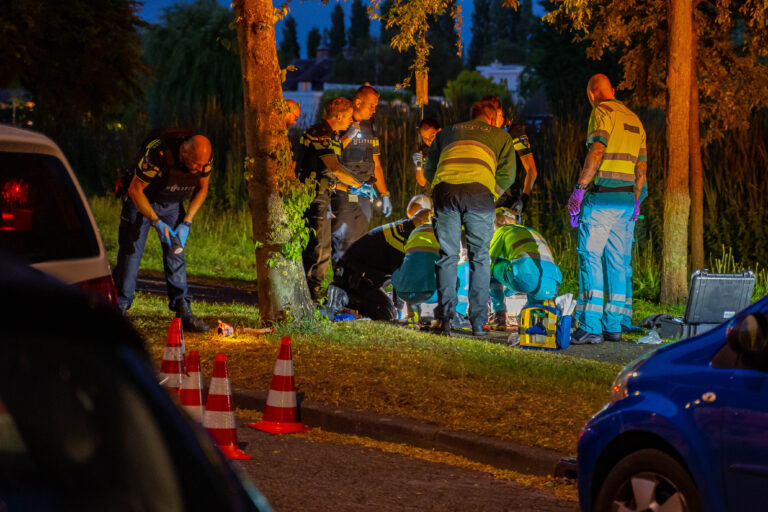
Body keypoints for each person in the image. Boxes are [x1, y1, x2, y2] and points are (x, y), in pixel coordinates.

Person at [424, 101, 516, 336]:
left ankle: (445, 319)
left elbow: (429, 168)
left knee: (448, 256)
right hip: (479, 196)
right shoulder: (501, 136)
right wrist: (489, 192)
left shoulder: (446, 132)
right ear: (493, 119)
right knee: (480, 258)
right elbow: (508, 174)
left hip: (446, 192)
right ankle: (478, 324)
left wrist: (439, 188)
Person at [568, 74, 648, 344]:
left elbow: (597, 150)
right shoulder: (634, 119)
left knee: (590, 259)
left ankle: (590, 325)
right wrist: (636, 201)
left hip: (602, 199)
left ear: (592, 94)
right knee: (617, 263)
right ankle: (613, 326)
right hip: (626, 202)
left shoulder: (602, 112)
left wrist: (579, 189)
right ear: (612, 90)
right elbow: (641, 167)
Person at [113, 130, 213, 331]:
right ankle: (119, 308)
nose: (200, 168)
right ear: (184, 152)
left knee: (176, 253)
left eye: (203, 164)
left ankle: (182, 308)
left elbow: (202, 188)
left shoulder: (204, 159)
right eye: (196, 164)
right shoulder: (156, 154)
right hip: (141, 201)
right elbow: (135, 190)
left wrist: (187, 222)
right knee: (131, 254)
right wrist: (157, 222)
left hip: (172, 204)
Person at [326, 195, 433, 321]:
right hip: (354, 277)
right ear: (421, 225)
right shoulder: (402, 240)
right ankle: (344, 296)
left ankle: (356, 295)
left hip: (361, 273)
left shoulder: (406, 229)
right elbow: (404, 279)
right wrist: (407, 312)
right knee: (386, 313)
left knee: (387, 308)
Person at [298, 97, 363, 301]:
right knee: (317, 247)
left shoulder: (333, 136)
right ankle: (309, 292)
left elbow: (329, 176)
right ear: (339, 115)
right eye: (350, 117)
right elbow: (334, 167)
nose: (351, 122)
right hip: (313, 197)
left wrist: (352, 190)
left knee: (324, 247)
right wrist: (359, 184)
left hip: (323, 195)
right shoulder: (320, 134)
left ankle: (313, 290)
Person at [332, 85, 392, 265]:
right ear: (358, 102)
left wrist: (385, 193)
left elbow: (376, 163)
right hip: (343, 192)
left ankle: (354, 285)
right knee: (342, 240)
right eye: (371, 105)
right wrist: (348, 135)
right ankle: (339, 284)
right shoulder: (341, 121)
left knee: (360, 241)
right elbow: (330, 153)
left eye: (376, 106)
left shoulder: (370, 125)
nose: (374, 110)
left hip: (365, 193)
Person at [488, 208, 563, 330]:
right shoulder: (532, 231)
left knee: (488, 269)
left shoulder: (502, 230)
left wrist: (508, 288)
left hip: (526, 277)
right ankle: (526, 322)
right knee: (532, 305)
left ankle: (498, 315)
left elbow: (491, 259)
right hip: (553, 282)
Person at [481, 96, 538, 214]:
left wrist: (524, 199)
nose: (493, 122)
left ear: (501, 113)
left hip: (508, 202)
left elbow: (531, 170)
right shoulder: (483, 131)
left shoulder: (515, 132)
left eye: (497, 117)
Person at [412, 118, 441, 192]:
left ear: (439, 131)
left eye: (432, 136)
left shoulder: (448, 146)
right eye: (425, 138)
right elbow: (422, 182)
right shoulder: (423, 152)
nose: (429, 141)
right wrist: (419, 165)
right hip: (431, 194)